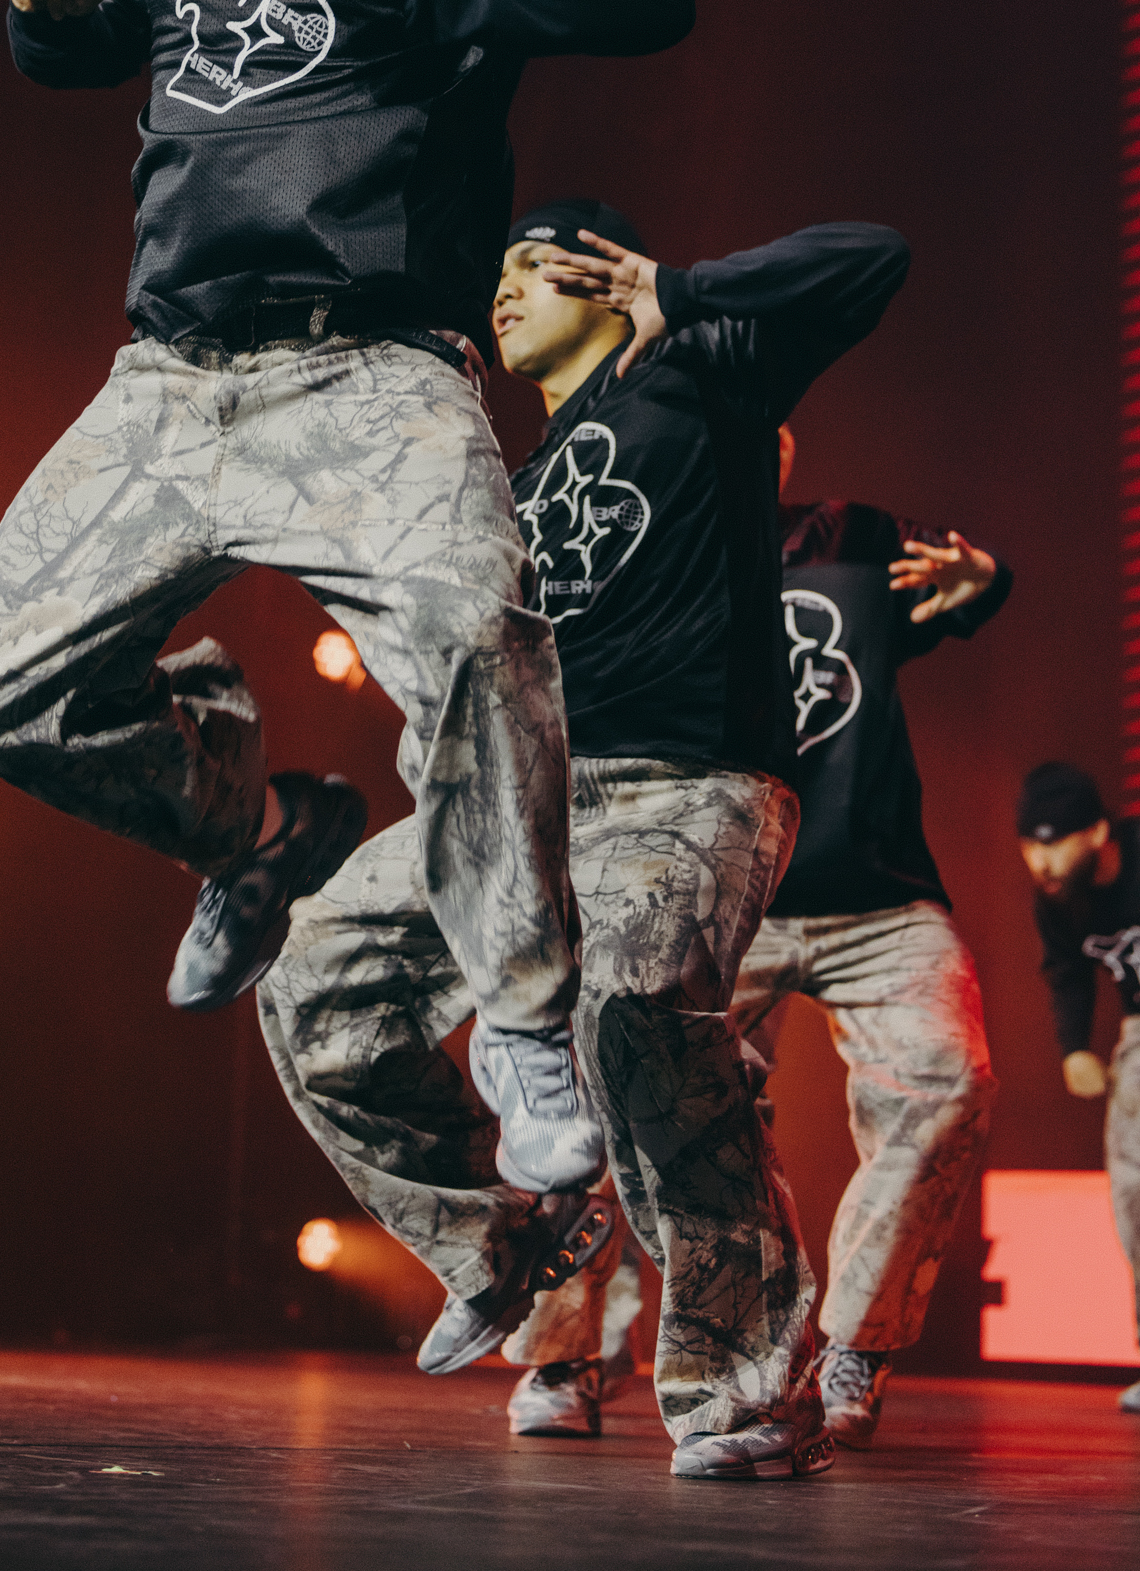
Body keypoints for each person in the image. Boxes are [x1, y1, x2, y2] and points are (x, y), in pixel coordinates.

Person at [0, 0, 695, 1194]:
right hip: (171, 379)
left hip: (371, 368)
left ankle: (526, 1020)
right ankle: (257, 833)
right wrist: (44, 20)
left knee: (483, 632)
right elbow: (118, 50)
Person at [260, 200, 910, 1480]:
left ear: (597, 277)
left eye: (524, 262)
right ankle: (499, 1241)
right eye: (489, 268)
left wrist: (680, 284)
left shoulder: (702, 366)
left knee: (633, 1013)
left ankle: (748, 1388)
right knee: (314, 981)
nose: (497, 289)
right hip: (528, 798)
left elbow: (875, 256)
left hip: (688, 783)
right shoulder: (510, 476)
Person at [512, 435, 1008, 1449]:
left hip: (876, 890)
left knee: (947, 1073)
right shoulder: (643, 556)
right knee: (595, 1085)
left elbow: (957, 583)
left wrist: (984, 582)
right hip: (716, 887)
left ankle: (854, 1346)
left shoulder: (848, 535)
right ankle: (567, 1354)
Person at [1016, 762, 1140, 1415]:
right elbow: (1067, 973)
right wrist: (1074, 1050)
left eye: (1055, 841)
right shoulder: (1057, 896)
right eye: (1030, 845)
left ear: (1097, 833)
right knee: (1134, 1191)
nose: (1042, 860)